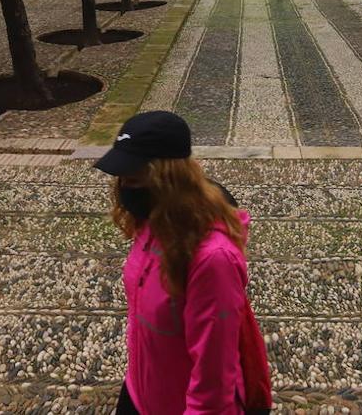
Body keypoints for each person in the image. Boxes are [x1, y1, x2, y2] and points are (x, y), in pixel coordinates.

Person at [95, 110, 268, 414]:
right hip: (139, 392)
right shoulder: (150, 220)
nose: (123, 187)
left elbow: (213, 382)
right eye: (121, 176)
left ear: (167, 177)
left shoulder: (213, 260)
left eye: (133, 178)